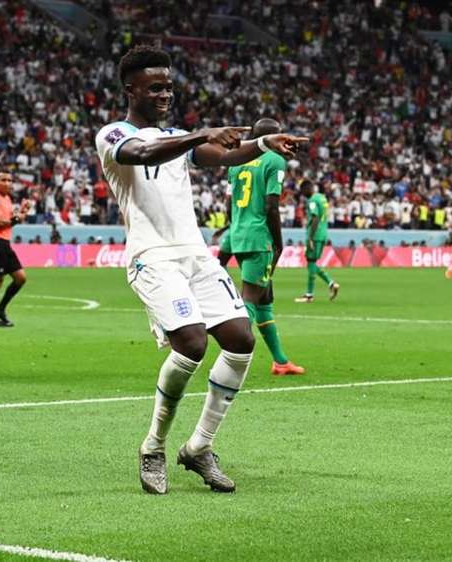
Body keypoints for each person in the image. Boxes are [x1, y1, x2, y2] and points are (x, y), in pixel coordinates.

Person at [94, 45, 307, 495]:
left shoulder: (177, 134)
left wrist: (264, 144)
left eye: (169, 86)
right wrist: (198, 135)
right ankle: (153, 446)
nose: (165, 94)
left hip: (193, 255)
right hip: (151, 256)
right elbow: (142, 154)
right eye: (155, 87)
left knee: (240, 339)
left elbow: (224, 155)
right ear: (130, 88)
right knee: (190, 343)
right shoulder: (112, 134)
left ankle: (199, 448)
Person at [221, 117, 305, 376]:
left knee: (264, 300)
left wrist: (232, 231)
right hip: (260, 238)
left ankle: (280, 361)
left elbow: (228, 202)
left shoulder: (237, 160)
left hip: (237, 235)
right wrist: (278, 242)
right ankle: (230, 360)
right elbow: (271, 205)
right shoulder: (275, 160)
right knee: (250, 298)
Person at [0, 170, 31, 327]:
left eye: (10, 180)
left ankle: (0, 308)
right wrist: (19, 217)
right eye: (4, 180)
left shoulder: (7, 199)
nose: (8, 183)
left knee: (20, 277)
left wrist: (22, 211)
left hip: (4, 244)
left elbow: (13, 217)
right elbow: (0, 222)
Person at [295, 180, 339, 303]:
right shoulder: (322, 198)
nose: (302, 194)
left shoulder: (313, 200)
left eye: (303, 191)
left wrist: (310, 238)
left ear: (307, 189)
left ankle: (309, 295)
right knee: (312, 263)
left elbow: (315, 218)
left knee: (311, 262)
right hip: (323, 233)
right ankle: (331, 283)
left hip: (315, 235)